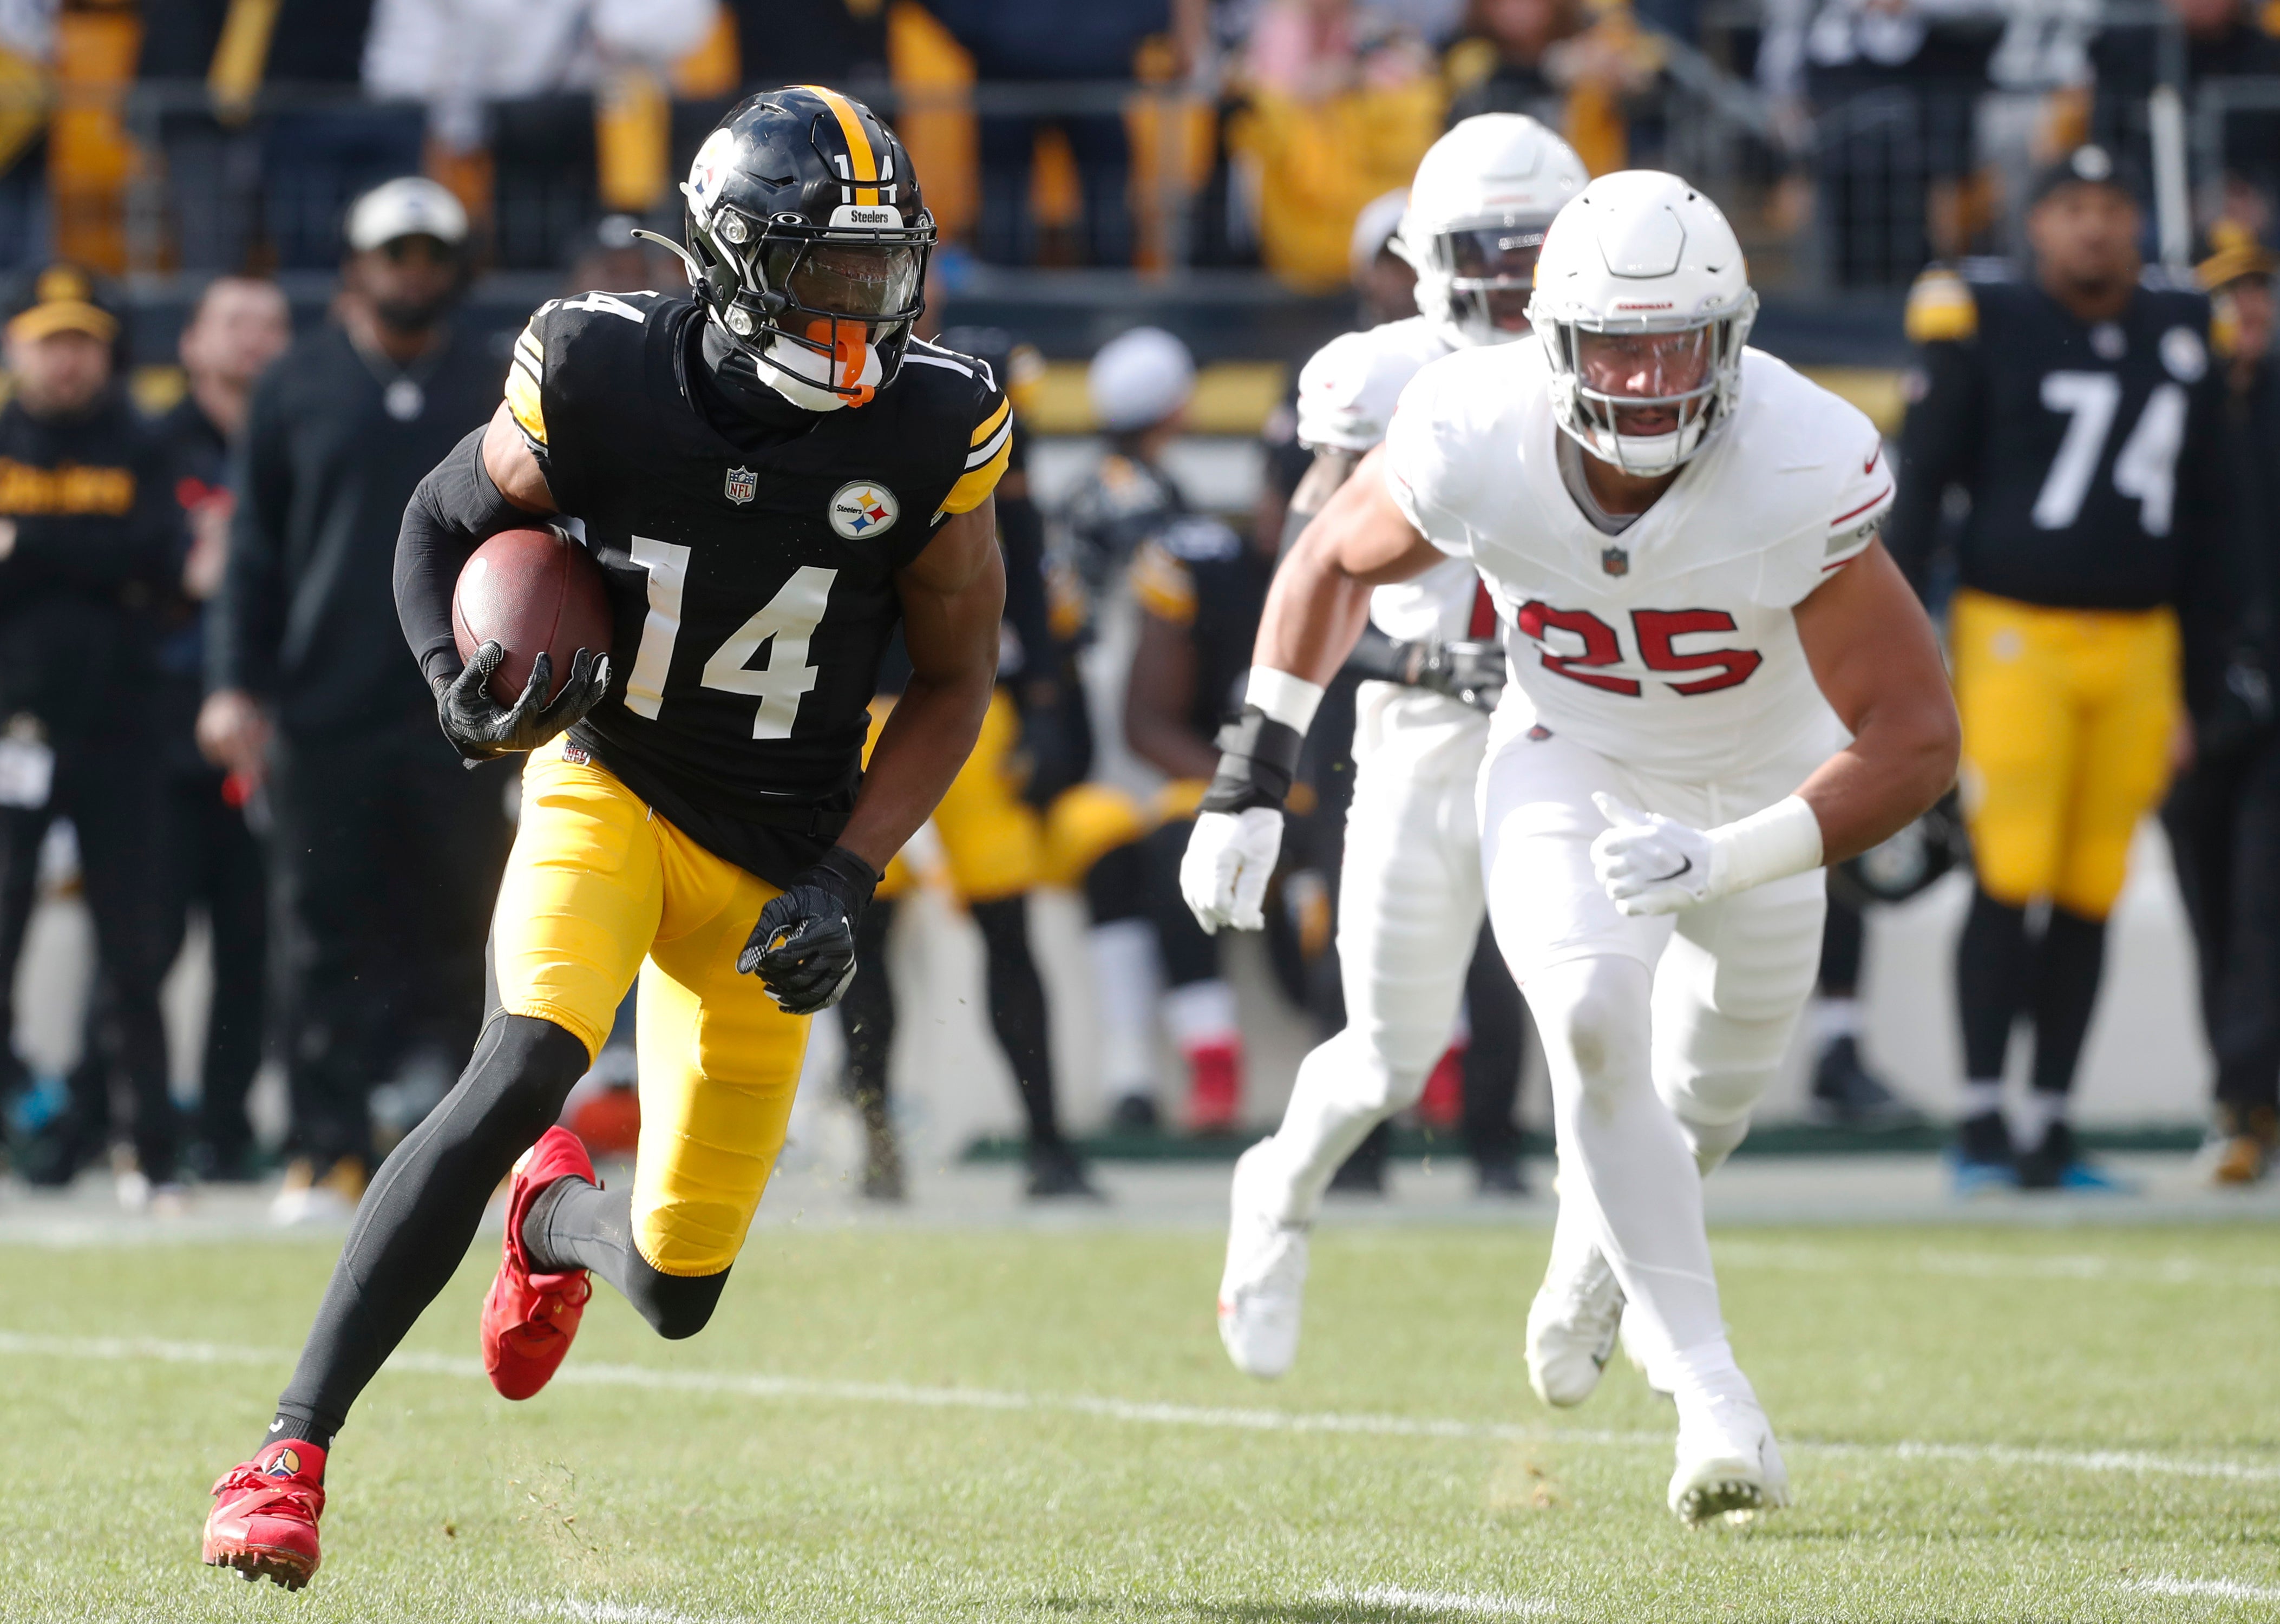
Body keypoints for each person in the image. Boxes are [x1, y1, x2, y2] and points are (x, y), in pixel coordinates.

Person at [202, 87, 1011, 1590]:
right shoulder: (596, 370)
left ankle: (552, 1223)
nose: (865, 313)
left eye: (884, 273)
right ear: (730, 261)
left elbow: (957, 679)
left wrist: (849, 871)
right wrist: (458, 687)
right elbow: (433, 523)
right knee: (521, 1063)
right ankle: (288, 1450)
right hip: (613, 781)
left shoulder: (935, 421)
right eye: (832, 276)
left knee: (675, 1289)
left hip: (781, 853)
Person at [1182, 170, 1958, 1522]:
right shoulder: (1471, 425)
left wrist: (1728, 859)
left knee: (1706, 1100)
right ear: (1552, 340)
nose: (1651, 381)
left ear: (1736, 338)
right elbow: (1326, 561)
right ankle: (1715, 1400)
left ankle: (1600, 1257)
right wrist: (1252, 772)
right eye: (1618, 346)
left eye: (1680, 345)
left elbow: (1916, 738)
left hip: (1761, 791)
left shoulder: (1797, 454)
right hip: (1569, 758)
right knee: (1594, 1017)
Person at [1215, 114, 1584, 1371]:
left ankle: (1604, 1262)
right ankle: (1276, 1195)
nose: (1515, 283)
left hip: (1585, 737)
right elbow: (1311, 585)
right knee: (1388, 1053)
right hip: (1421, 738)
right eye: (1492, 252)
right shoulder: (1376, 377)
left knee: (1604, 1017)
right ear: (1430, 255)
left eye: (1539, 253)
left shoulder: (1632, 359)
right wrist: (1411, 667)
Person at [1889, 145, 2232, 1192]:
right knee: (2012, 869)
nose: (2094, 227)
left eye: (2113, 207)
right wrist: (1906, 654)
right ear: (2035, 224)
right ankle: (1984, 1121)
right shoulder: (1982, 317)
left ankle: (2051, 1122)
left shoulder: (2182, 327)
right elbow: (1924, 491)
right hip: (2014, 633)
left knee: (2093, 886)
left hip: (2140, 644)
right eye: (2073, 207)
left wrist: (2202, 684)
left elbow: (2215, 519)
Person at [200, 178, 513, 1223]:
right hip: (323, 705)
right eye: (395, 254)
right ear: (355, 266)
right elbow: (253, 556)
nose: (412, 272)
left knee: (461, 927)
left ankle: (443, 1159)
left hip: (462, 707)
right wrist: (234, 682)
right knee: (319, 930)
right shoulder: (296, 384)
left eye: (431, 254)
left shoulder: (497, 381)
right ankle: (323, 1148)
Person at [840, 322, 1097, 1200]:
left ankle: (1048, 1144)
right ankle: (879, 1139)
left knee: (1004, 931)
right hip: (874, 712)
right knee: (859, 936)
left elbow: (1026, 587)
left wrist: (1054, 708)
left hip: (973, 716)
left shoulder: (999, 471)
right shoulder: (873, 446)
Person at [0, 265, 185, 1193]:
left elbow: (160, 560)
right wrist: (99, 568)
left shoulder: (141, 443)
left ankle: (143, 1140)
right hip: (13, 727)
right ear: (16, 347)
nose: (66, 360)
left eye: (81, 341)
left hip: (121, 727)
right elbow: (127, 564)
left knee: (132, 944)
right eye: (48, 340)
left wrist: (29, 548)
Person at [155, 275, 292, 1181]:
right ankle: (121, 1121)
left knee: (253, 947)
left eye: (271, 326)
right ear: (193, 343)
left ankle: (227, 1126)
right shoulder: (153, 444)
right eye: (232, 322)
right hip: (158, 737)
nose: (253, 342)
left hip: (274, 733)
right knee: (144, 944)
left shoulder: (300, 438)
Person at [2163, 223, 2280, 1186]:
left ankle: (2248, 1096)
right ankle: (2241, 1100)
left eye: (2257, 293)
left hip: (2267, 691)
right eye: (2226, 294)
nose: (2246, 311)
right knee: (2212, 905)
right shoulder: (2166, 413)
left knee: (2260, 903)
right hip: (2189, 697)